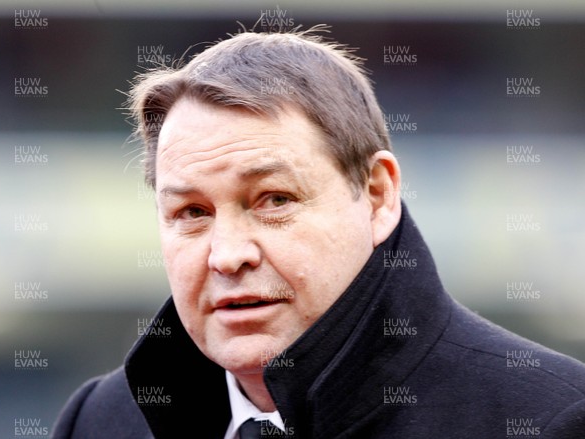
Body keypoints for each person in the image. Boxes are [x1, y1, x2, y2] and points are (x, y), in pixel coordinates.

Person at [51, 28, 585, 439]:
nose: (227, 255)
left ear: (377, 196)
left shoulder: (549, 418)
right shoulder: (100, 421)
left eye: (274, 200)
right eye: (192, 212)